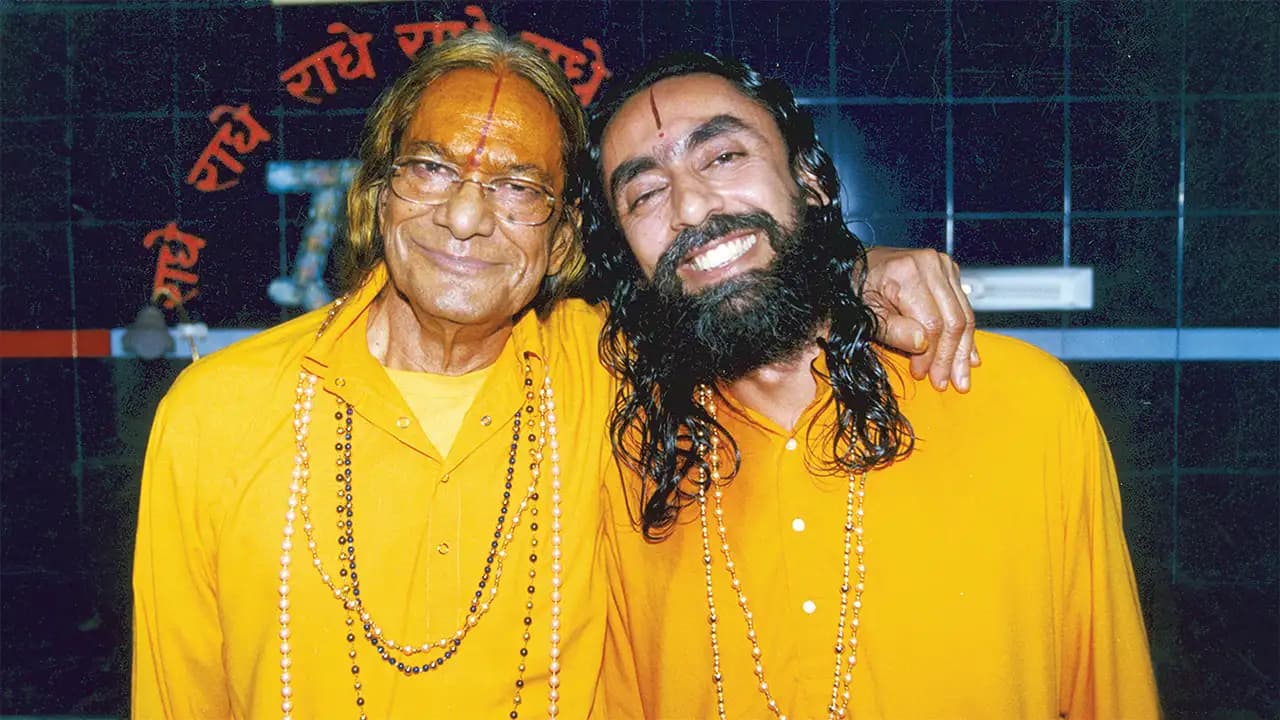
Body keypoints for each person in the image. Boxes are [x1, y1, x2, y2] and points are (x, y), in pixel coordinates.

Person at [131, 32, 974, 719]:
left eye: (517, 185)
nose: (464, 217)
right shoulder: (218, 415)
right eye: (431, 168)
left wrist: (858, 272)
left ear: (564, 234)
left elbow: (735, 293)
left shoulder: (610, 372)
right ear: (378, 190)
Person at [588, 54, 1160, 719]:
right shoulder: (629, 461)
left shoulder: (1020, 405)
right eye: (645, 193)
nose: (688, 206)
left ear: (809, 181)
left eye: (722, 158)